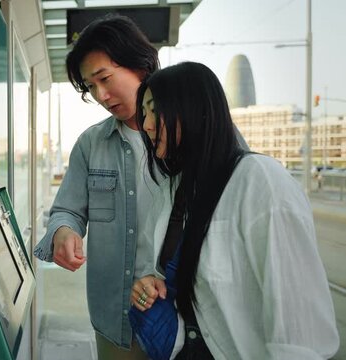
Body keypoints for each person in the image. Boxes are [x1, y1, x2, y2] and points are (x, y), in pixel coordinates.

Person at [129, 61, 339, 359]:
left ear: (192, 108)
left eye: (155, 109)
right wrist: (154, 282)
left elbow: (298, 321)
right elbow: (187, 277)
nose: (147, 124)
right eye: (145, 112)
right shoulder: (173, 189)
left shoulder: (260, 180)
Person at [34, 14, 162, 360]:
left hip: (184, 320)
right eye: (91, 88)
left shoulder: (195, 131)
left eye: (104, 79)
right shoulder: (91, 144)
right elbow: (67, 210)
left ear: (140, 65)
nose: (102, 96)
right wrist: (63, 231)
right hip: (115, 322)